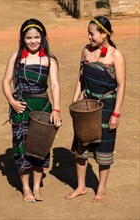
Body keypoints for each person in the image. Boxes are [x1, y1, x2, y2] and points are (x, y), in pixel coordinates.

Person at [65, 16, 126, 202]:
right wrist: (75, 101)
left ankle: (101, 189)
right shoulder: (86, 51)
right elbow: (80, 78)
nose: (89, 37)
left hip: (107, 107)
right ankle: (81, 187)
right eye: (88, 34)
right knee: (80, 148)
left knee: (104, 150)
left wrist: (116, 114)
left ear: (104, 34)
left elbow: (121, 86)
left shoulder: (116, 55)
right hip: (86, 106)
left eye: (92, 34)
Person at [2, 18, 62, 202]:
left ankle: (37, 188)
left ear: (42, 37)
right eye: (29, 37)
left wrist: (56, 109)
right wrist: (12, 102)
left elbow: (54, 84)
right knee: (21, 147)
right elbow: (6, 82)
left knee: (40, 147)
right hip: (21, 108)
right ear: (23, 38)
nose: (33, 41)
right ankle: (26, 189)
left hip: (42, 107)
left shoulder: (49, 59)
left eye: (37, 37)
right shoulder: (16, 57)